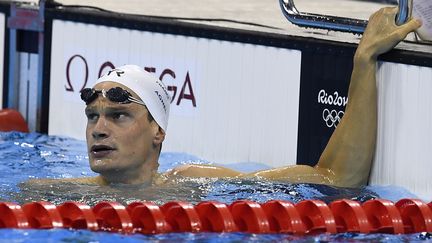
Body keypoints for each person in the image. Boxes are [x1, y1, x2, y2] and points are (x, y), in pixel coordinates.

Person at [34, 7, 422, 187]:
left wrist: (364, 60)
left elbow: (337, 178)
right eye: (92, 116)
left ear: (158, 131)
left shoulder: (195, 185)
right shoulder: (49, 195)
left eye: (118, 115)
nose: (98, 130)